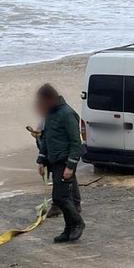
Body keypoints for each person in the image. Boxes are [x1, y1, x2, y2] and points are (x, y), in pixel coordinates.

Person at [35, 84, 85, 243]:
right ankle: (68, 229)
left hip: (64, 161)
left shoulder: (67, 114)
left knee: (60, 197)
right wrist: (41, 160)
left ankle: (77, 223)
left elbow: (76, 142)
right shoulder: (50, 115)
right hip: (53, 161)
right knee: (60, 197)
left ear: (50, 99)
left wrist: (70, 166)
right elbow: (45, 139)